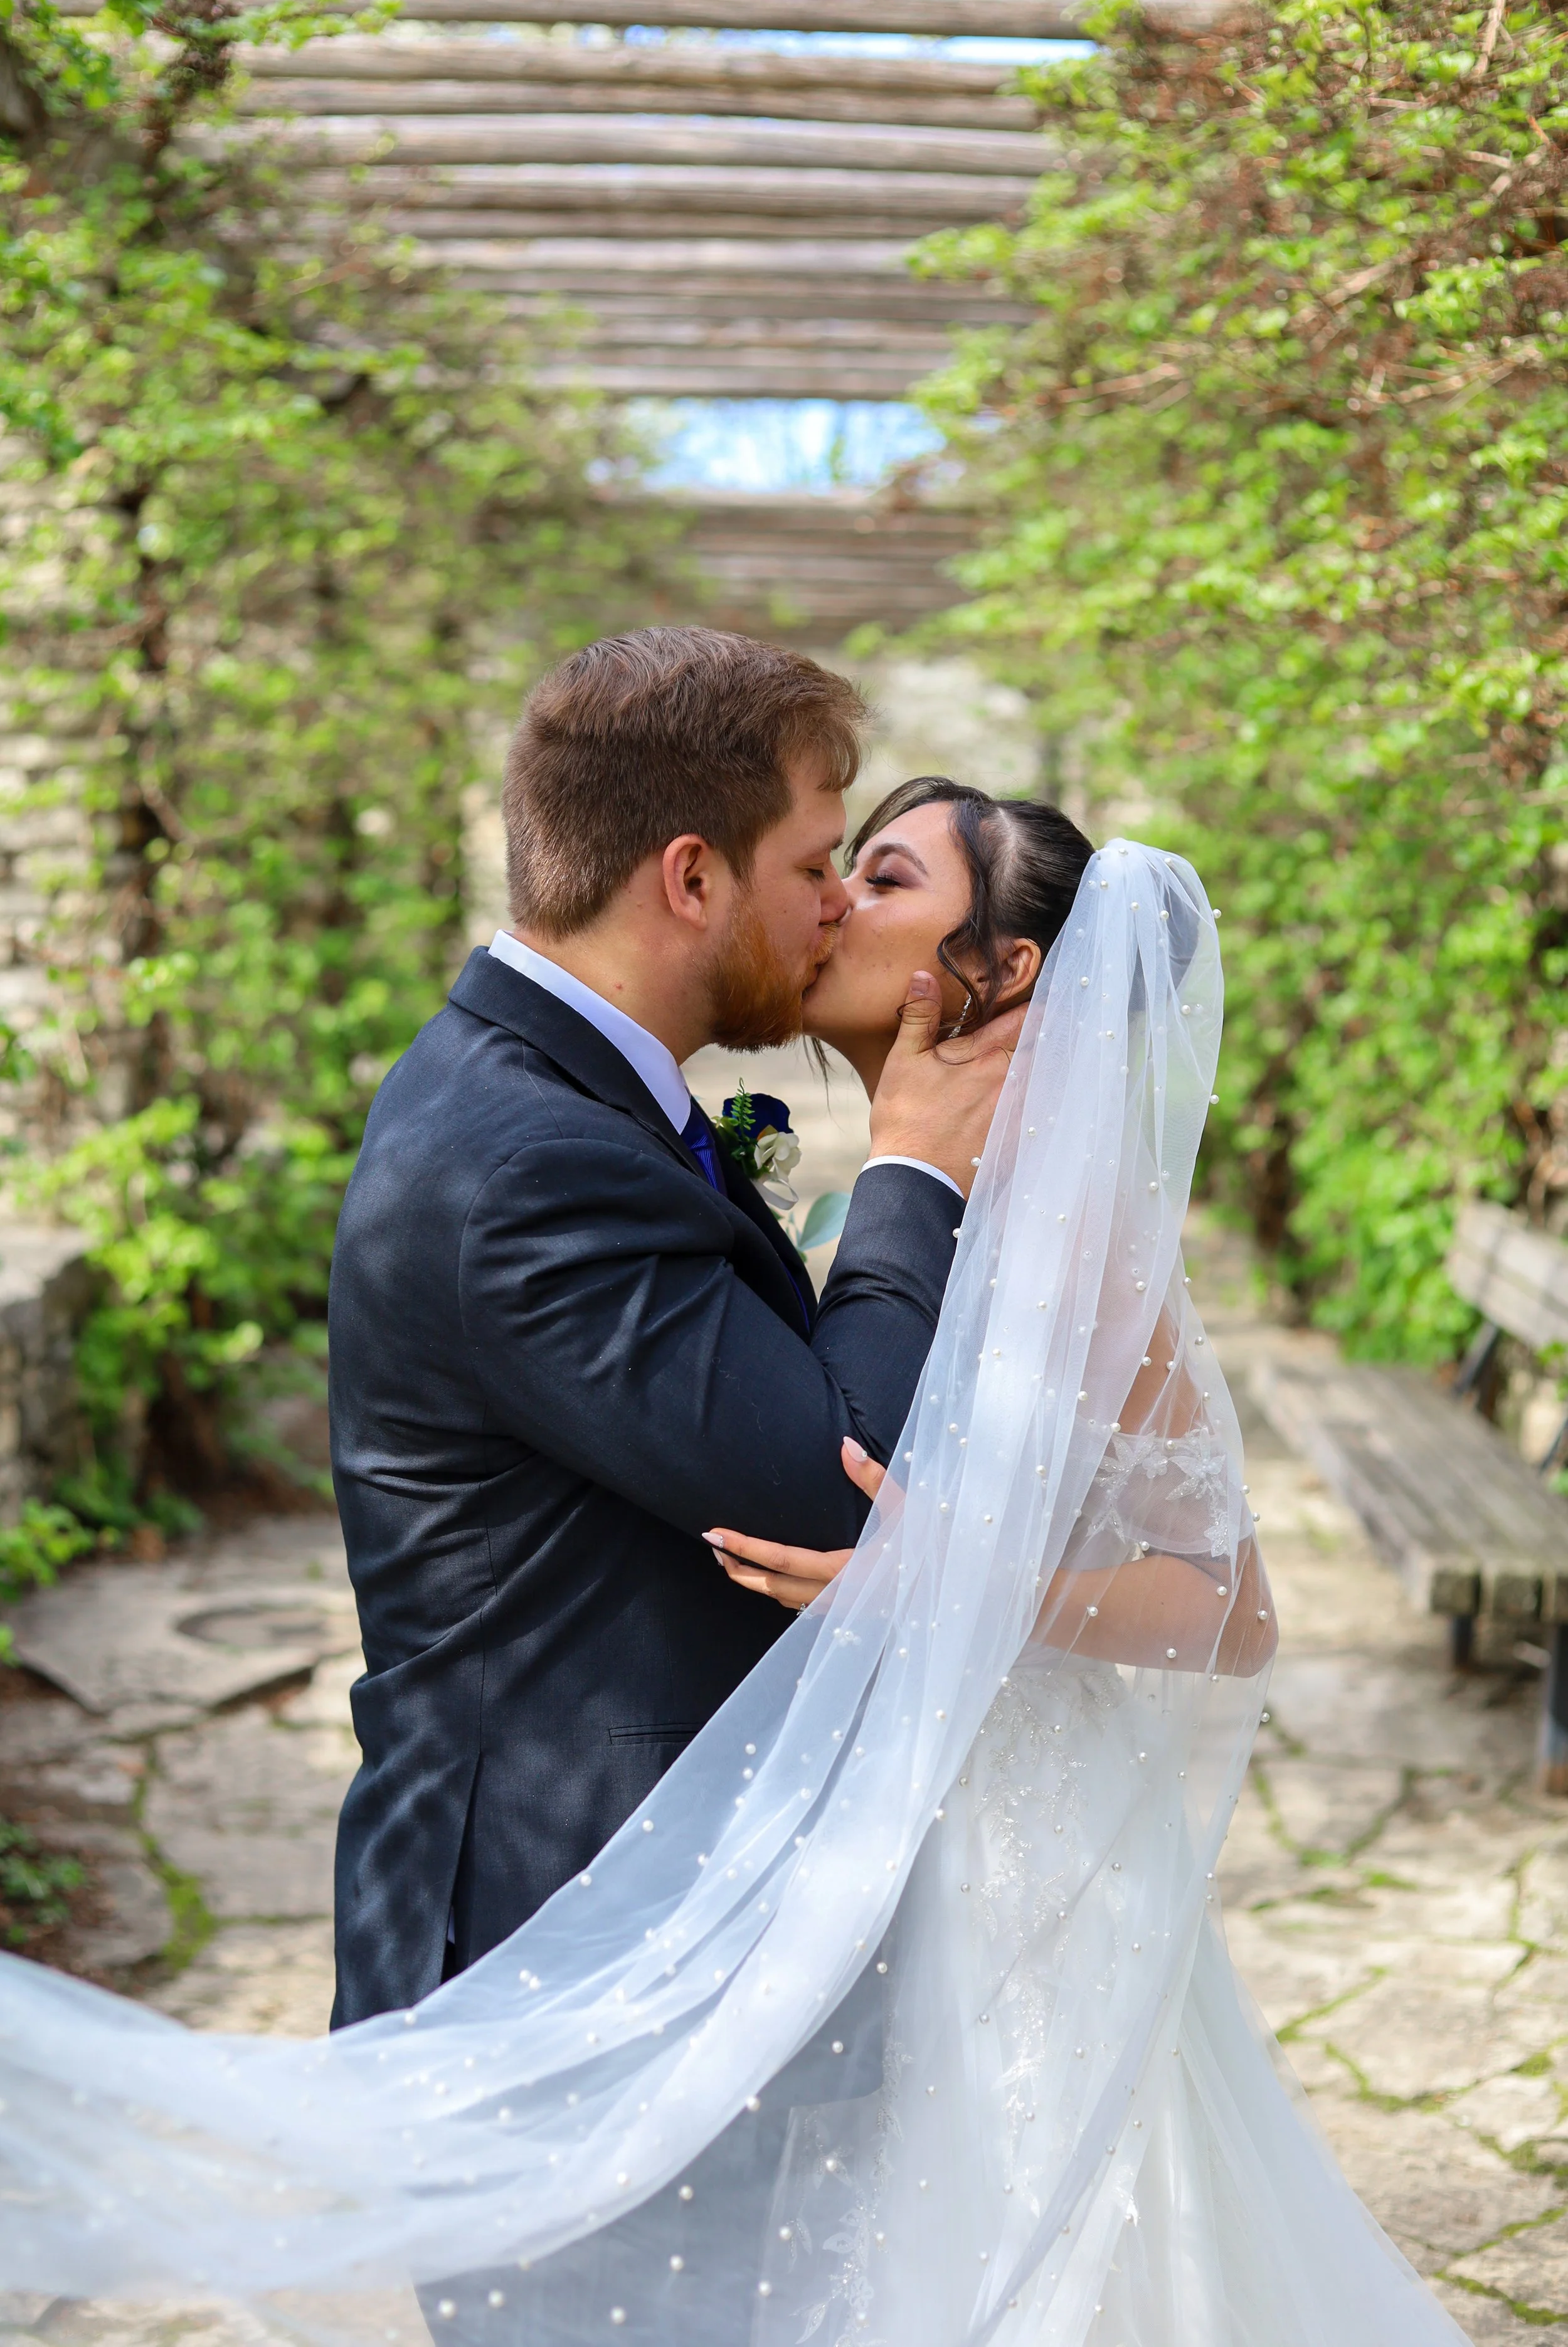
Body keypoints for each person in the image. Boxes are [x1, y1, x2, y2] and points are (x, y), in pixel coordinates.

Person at [0, 789, 1470, 2347]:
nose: (831, 899)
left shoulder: (1073, 1225)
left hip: (995, 1867)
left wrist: (952, 1594)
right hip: (829, 1852)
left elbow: (1232, 1606)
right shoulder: (841, 1195)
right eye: (828, 863)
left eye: (880, 875)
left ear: (1002, 968)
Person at [326, 635, 1025, 2028]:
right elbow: (842, 1492)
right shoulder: (527, 1161)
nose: (834, 904)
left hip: (667, 1915)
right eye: (817, 863)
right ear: (692, 877)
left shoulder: (563, 1090)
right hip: (558, 1938)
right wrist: (912, 1166)